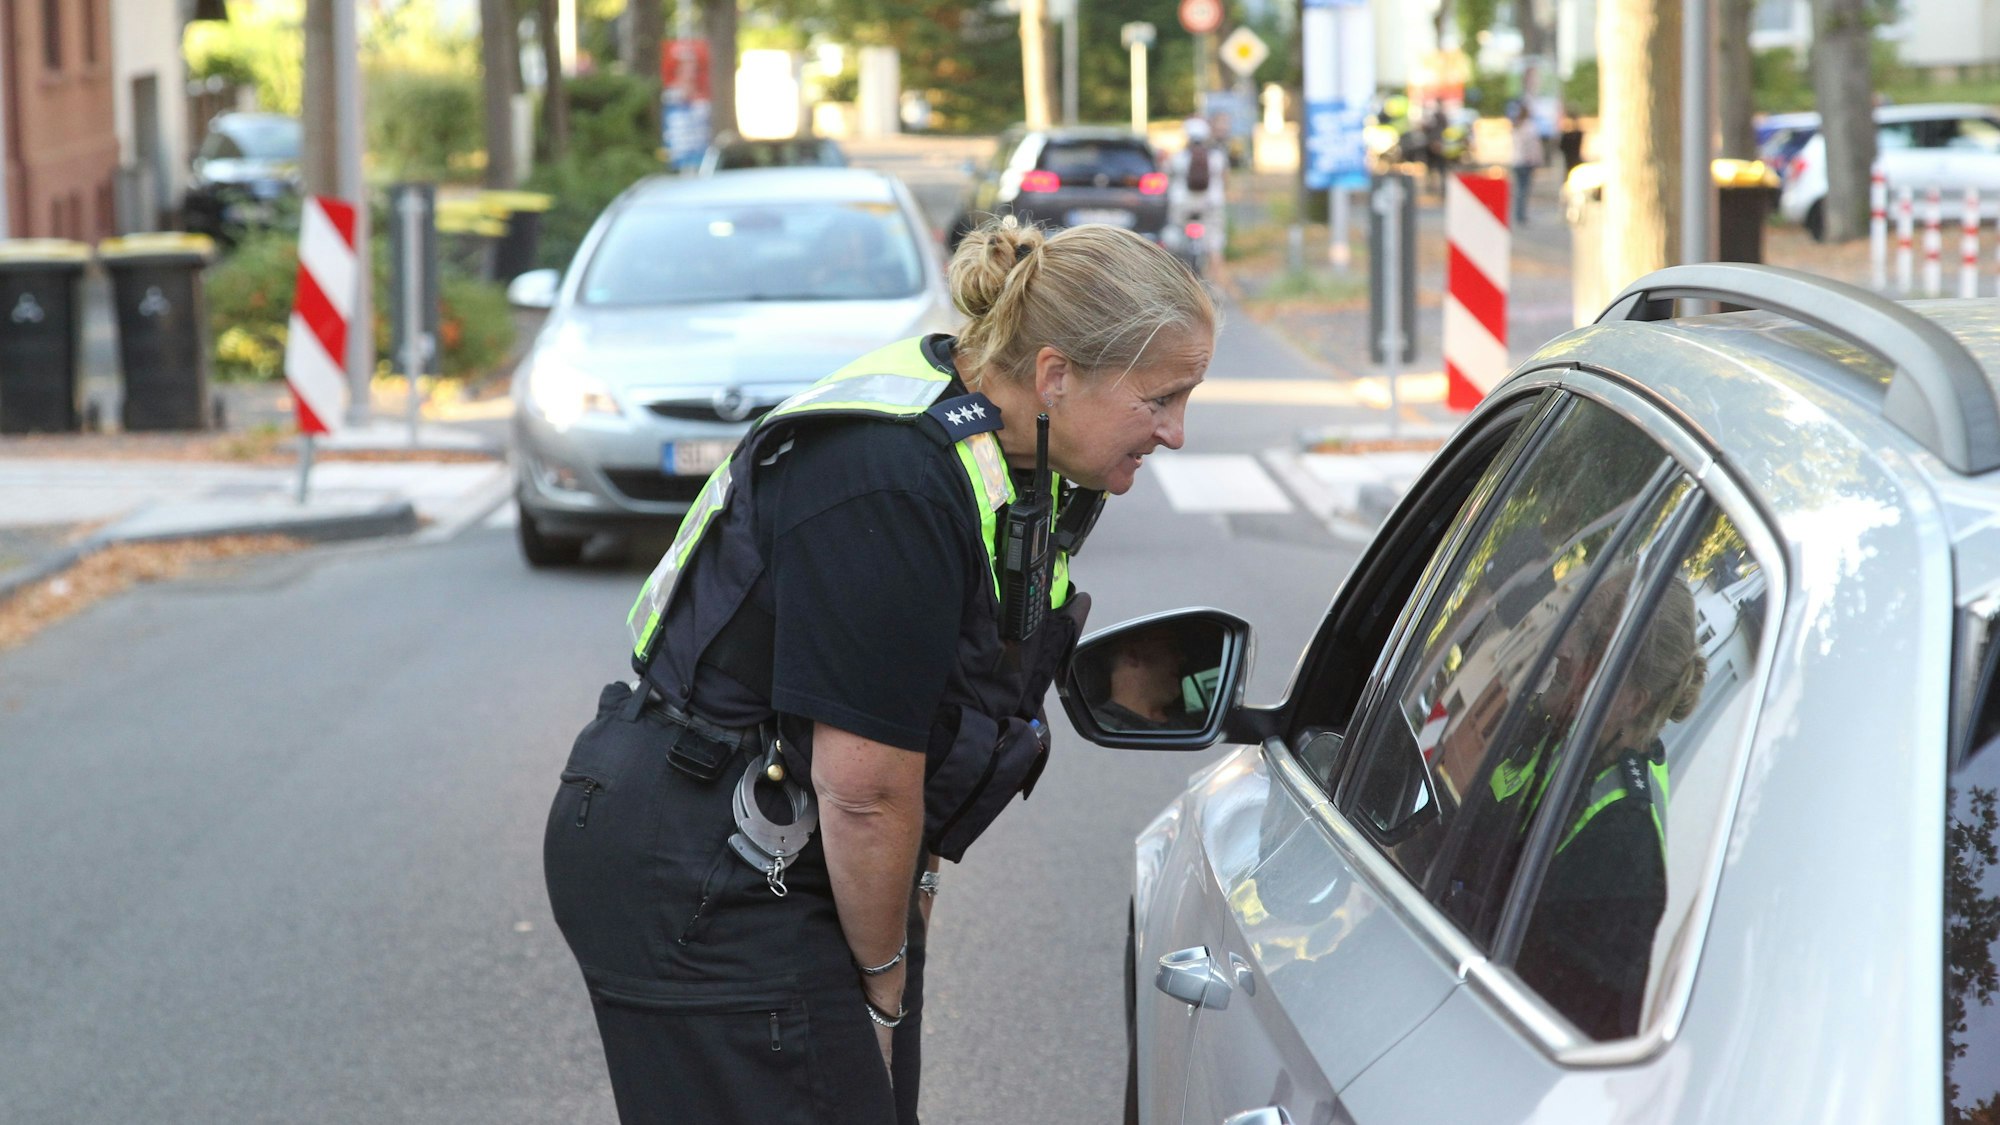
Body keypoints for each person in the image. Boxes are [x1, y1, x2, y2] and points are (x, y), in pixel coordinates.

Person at [542, 216, 1217, 1124]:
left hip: (761, 844)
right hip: (709, 866)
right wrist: (884, 980)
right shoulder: (892, 476)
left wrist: (906, 913)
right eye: (1161, 399)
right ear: (1055, 374)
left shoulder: (1015, 452)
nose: (1175, 432)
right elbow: (863, 790)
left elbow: (944, 708)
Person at [1094, 627, 1189, 731]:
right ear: (1132, 654)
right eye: (1171, 647)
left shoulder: (1186, 725)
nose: (1182, 658)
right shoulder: (1101, 727)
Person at [1169, 116, 1227, 260]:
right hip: (1210, 204)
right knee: (1214, 243)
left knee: (1175, 232)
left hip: (1182, 204)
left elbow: (1169, 174)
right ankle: (1217, 277)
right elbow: (1225, 179)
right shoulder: (1216, 157)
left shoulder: (1179, 157)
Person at [1510, 101, 1543, 225]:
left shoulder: (1516, 126)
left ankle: (1519, 214)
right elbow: (1532, 146)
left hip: (1516, 161)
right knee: (1524, 189)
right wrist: (1536, 160)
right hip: (1526, 161)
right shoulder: (1529, 127)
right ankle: (1521, 215)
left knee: (1519, 189)